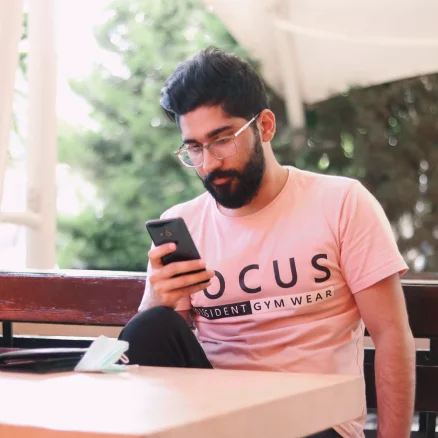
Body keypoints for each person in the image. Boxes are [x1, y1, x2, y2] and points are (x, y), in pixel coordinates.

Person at [119, 47, 415, 438]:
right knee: (150, 326)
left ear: (266, 126)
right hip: (219, 423)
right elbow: (147, 350)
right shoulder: (185, 224)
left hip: (316, 425)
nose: (209, 163)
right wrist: (155, 299)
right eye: (194, 147)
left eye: (222, 139)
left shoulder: (342, 203)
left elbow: (391, 335)